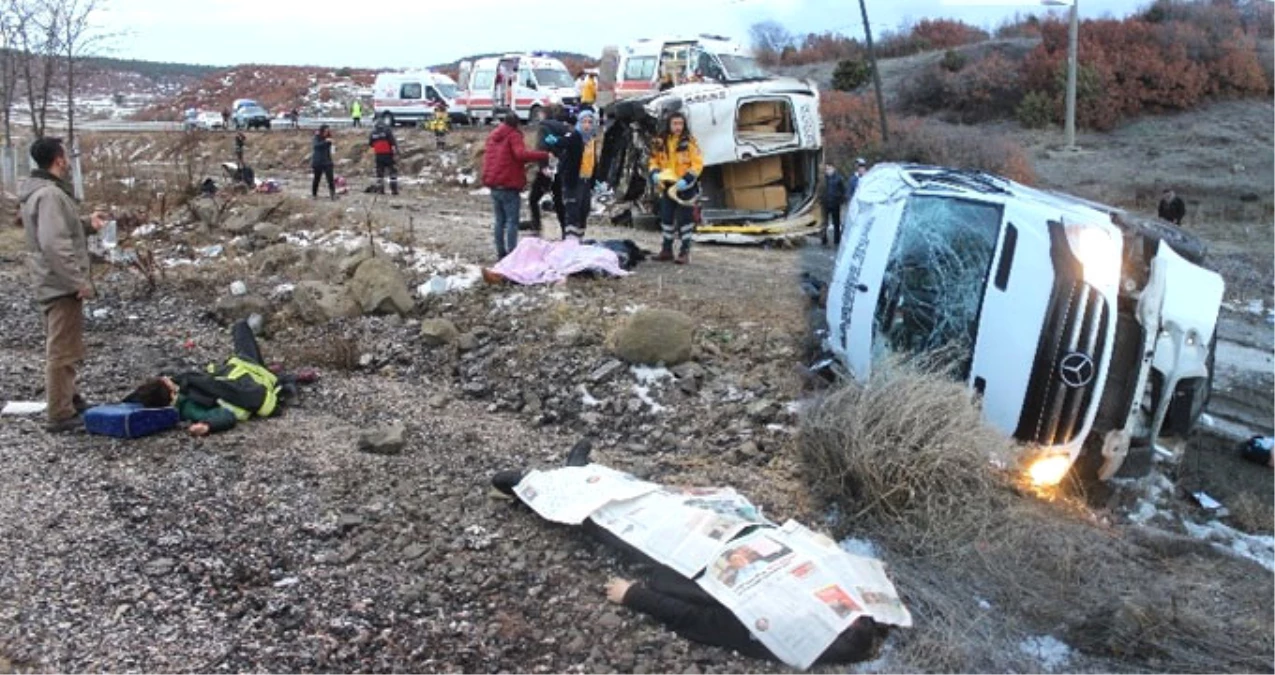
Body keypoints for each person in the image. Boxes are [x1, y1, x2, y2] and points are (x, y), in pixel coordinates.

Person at [489, 443, 889, 667]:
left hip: (683, 559)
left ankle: (532, 487)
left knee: (615, 523)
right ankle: (584, 472)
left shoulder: (781, 633)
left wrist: (634, 596)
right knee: (659, 496)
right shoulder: (846, 604)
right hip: (726, 529)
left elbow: (700, 622)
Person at [19, 137, 108, 432]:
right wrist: (78, 281)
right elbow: (54, 243)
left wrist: (85, 224)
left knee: (67, 343)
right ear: (58, 159)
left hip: (52, 281)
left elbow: (59, 230)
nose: (69, 160)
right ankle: (60, 412)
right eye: (66, 155)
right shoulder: (50, 195)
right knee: (61, 348)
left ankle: (70, 398)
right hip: (59, 285)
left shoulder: (46, 194)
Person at [123, 320, 285, 437]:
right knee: (240, 326)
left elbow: (140, 396)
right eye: (168, 381)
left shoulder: (178, 393)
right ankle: (279, 374)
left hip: (237, 371)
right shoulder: (190, 406)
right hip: (248, 374)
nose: (170, 378)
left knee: (241, 333)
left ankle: (278, 373)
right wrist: (206, 425)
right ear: (172, 394)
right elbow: (225, 416)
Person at [482, 112, 551, 258]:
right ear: (517, 124)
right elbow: (520, 154)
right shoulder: (514, 135)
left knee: (499, 221)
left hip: (494, 184)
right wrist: (543, 155)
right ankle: (512, 254)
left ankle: (501, 253)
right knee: (512, 222)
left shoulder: (494, 135)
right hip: (509, 184)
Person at [648, 111, 703, 264]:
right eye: (675, 124)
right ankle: (666, 250)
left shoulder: (690, 142)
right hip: (667, 185)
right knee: (666, 217)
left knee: (685, 219)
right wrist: (654, 173)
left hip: (685, 186)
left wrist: (686, 180)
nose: (678, 127)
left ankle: (684, 251)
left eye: (681, 124)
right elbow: (653, 160)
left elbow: (697, 164)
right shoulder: (660, 141)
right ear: (669, 124)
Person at [543, 109, 598, 240]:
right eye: (584, 122)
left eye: (590, 122)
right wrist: (555, 140)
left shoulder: (591, 140)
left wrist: (596, 178)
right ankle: (571, 241)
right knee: (573, 211)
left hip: (586, 180)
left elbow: (593, 160)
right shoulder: (576, 136)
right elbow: (565, 142)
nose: (587, 125)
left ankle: (579, 239)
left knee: (584, 211)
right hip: (575, 180)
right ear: (579, 123)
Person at [821, 164, 849, 247]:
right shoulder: (824, 179)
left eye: (829, 169)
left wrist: (841, 200)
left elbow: (843, 190)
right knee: (824, 222)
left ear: (834, 169)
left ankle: (837, 240)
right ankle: (824, 239)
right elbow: (820, 190)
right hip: (825, 203)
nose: (828, 170)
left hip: (835, 203)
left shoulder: (838, 178)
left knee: (836, 222)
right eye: (826, 169)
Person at [368, 120, 399, 195]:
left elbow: (371, 144)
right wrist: (397, 151)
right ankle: (394, 190)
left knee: (379, 173)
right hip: (388, 154)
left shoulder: (373, 133)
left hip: (378, 155)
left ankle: (380, 190)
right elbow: (393, 142)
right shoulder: (387, 131)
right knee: (392, 172)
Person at [310, 124, 336, 200]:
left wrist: (330, 143)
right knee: (317, 179)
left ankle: (333, 195)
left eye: (328, 131)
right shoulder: (317, 137)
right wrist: (325, 142)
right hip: (318, 162)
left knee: (330, 179)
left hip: (328, 161)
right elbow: (316, 146)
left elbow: (330, 150)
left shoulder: (329, 138)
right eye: (325, 131)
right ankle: (314, 194)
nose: (326, 132)